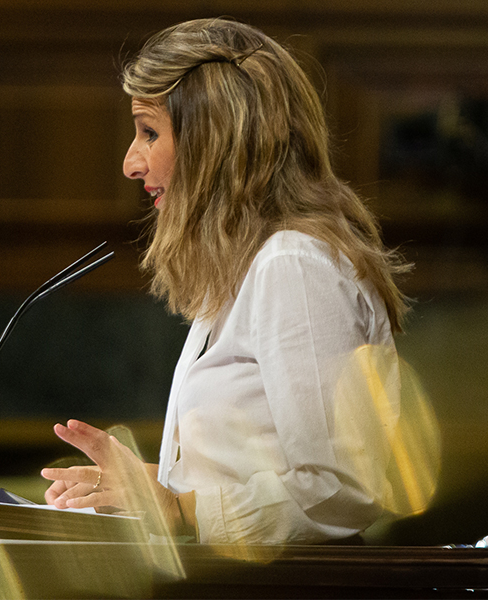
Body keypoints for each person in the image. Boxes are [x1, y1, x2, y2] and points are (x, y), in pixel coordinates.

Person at [40, 17, 412, 544]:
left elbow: (342, 490)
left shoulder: (293, 265)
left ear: (213, 141)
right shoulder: (247, 266)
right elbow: (243, 473)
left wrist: (178, 508)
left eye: (149, 132)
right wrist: (143, 492)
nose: (130, 163)